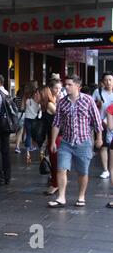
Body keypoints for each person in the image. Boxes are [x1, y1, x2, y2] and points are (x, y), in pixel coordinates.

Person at [48, 75, 103, 208]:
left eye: (69, 85)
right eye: (65, 84)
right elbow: (56, 123)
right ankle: (61, 197)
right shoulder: (62, 102)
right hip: (66, 142)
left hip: (83, 142)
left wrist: (99, 138)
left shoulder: (88, 100)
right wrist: (53, 141)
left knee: (83, 172)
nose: (66, 87)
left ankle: (81, 196)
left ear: (77, 86)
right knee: (61, 169)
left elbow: (97, 121)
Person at [92, 71, 113, 179]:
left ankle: (111, 168)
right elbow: (90, 105)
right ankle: (105, 170)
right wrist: (97, 104)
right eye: (106, 80)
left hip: (112, 123)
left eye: (110, 80)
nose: (108, 82)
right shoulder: (97, 91)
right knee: (103, 147)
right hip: (102, 123)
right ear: (102, 82)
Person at [38, 85, 59, 196]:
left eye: (37, 94)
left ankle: (56, 184)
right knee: (52, 160)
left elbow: (59, 118)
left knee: (55, 162)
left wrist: (53, 139)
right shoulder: (43, 106)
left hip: (56, 137)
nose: (35, 96)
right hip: (50, 137)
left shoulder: (50, 105)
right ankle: (54, 183)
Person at [13, 85, 25, 154]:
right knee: (20, 131)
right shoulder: (24, 98)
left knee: (17, 130)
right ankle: (17, 146)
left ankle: (17, 143)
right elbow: (23, 108)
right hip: (22, 115)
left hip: (15, 115)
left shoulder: (15, 98)